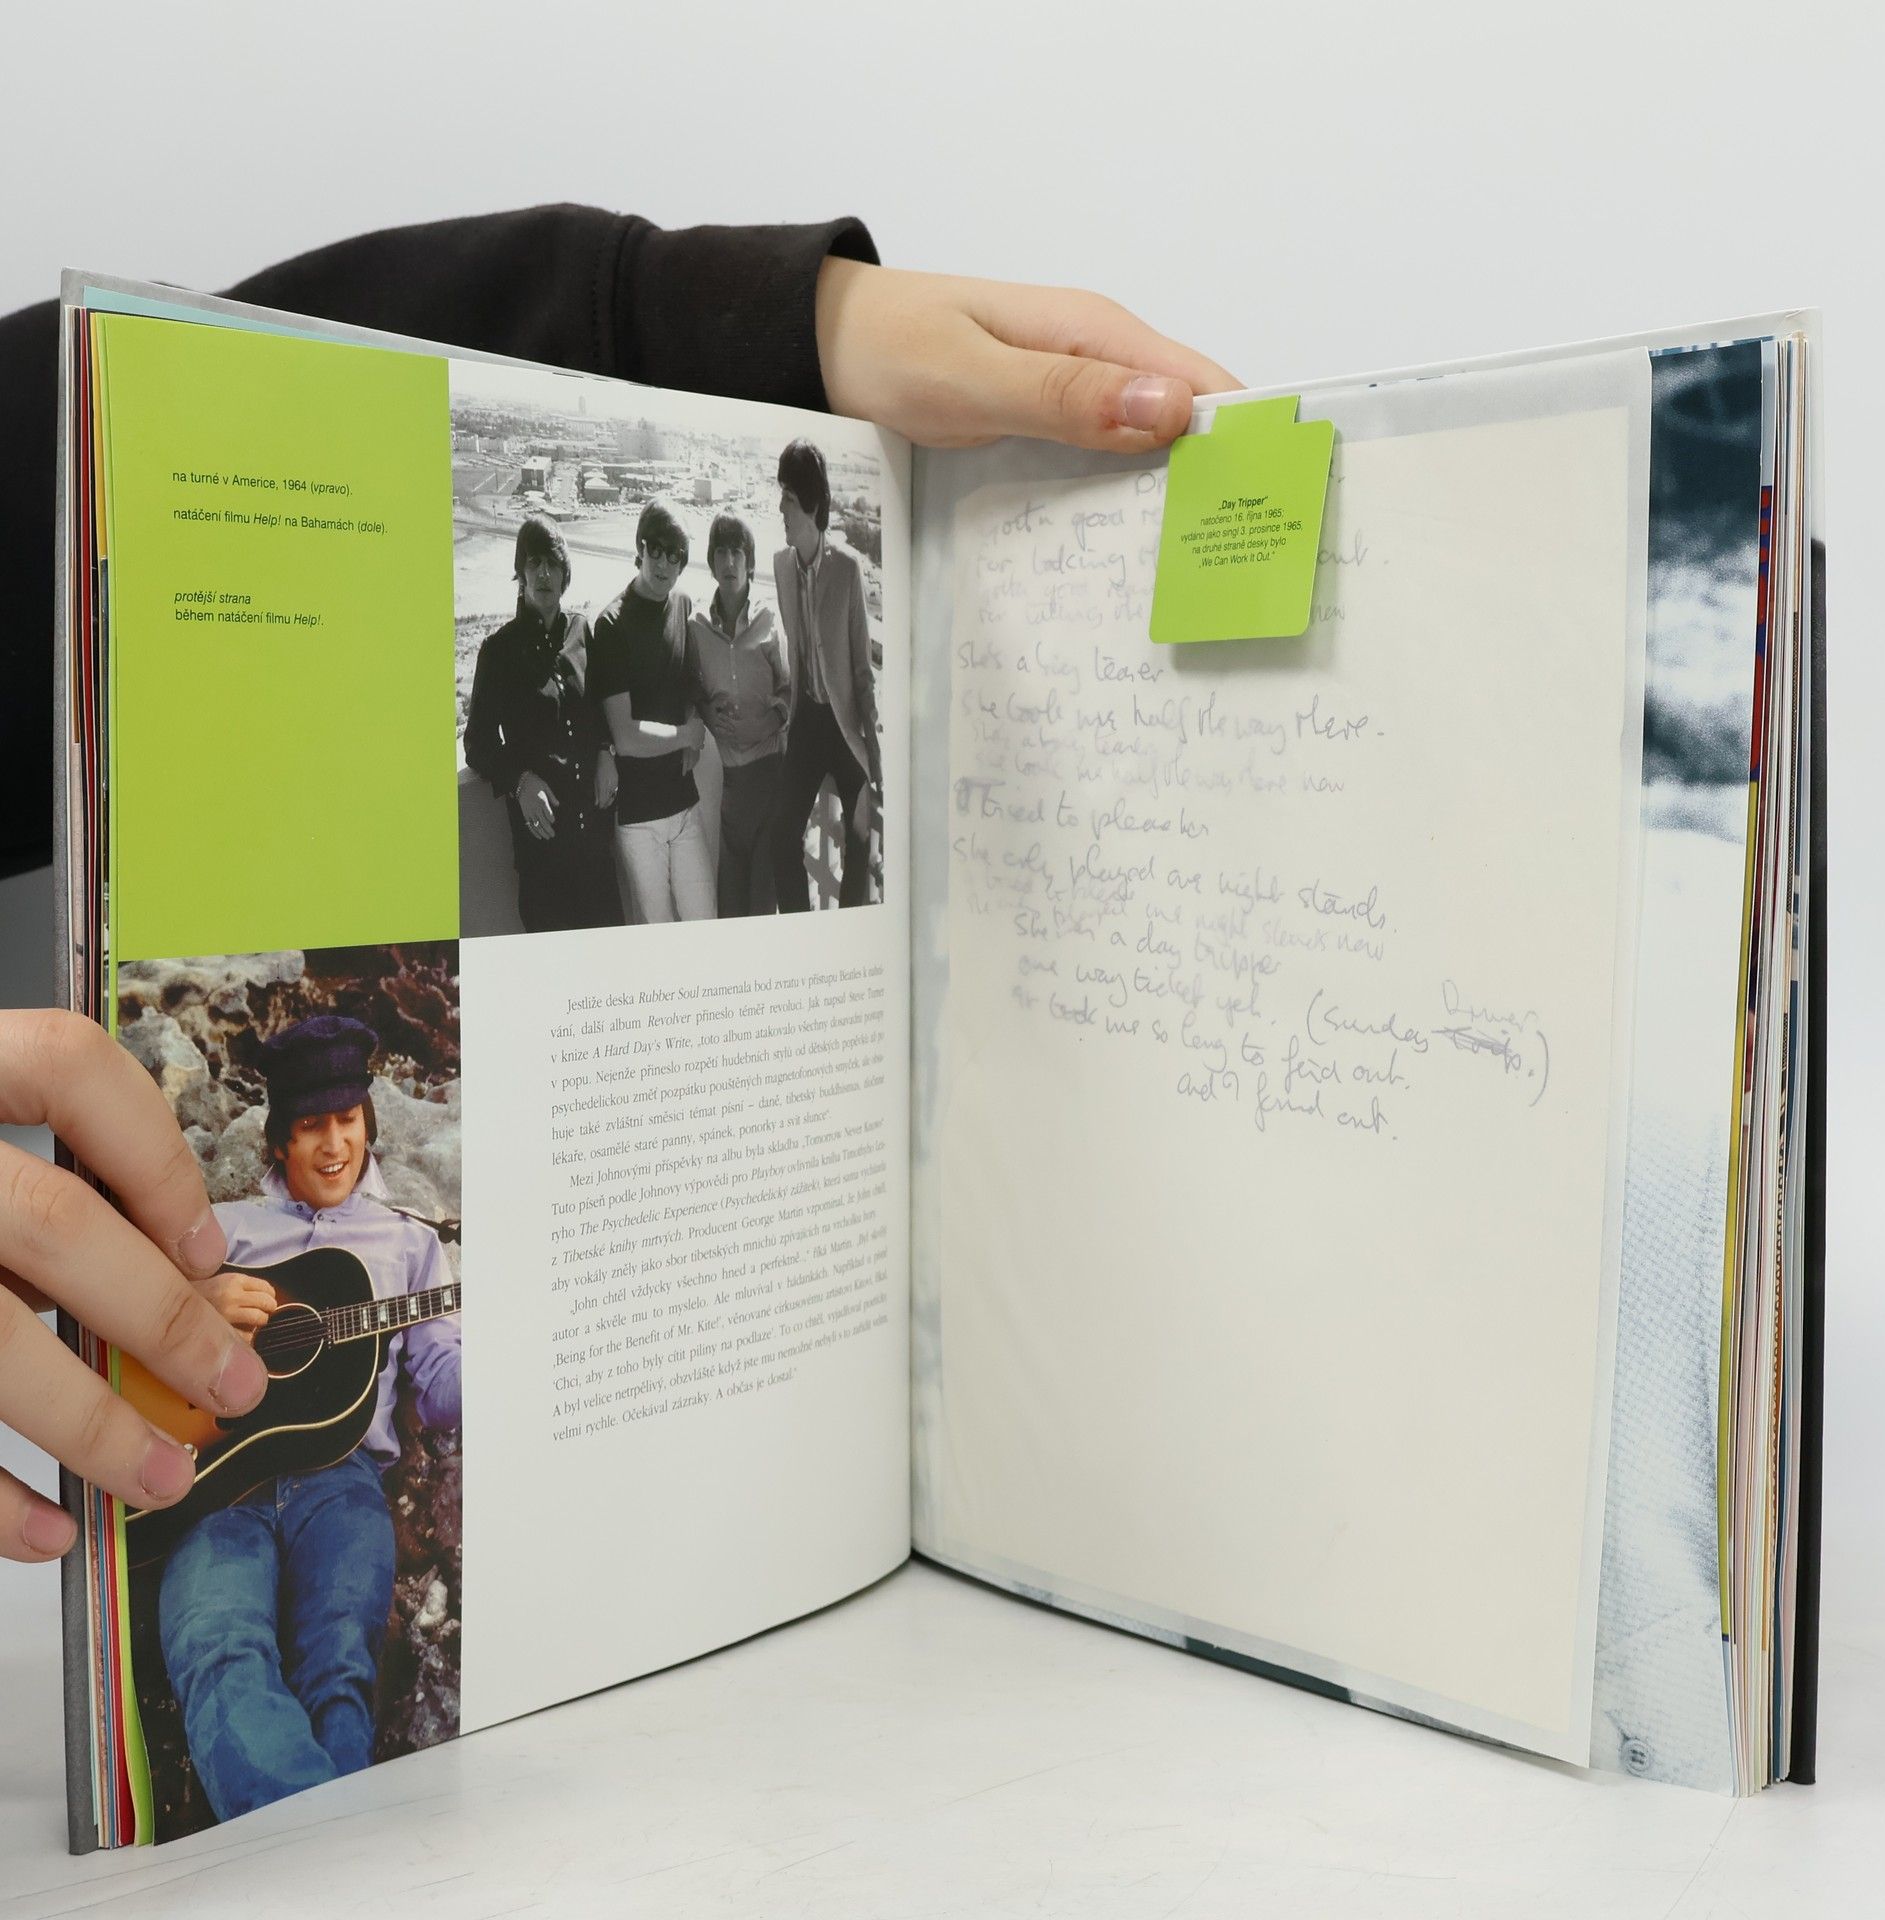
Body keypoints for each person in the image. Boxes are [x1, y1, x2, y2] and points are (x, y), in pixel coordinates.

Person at [0, 208, 1236, 1568]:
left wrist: (737, 318)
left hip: (650, 816)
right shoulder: (547, 649)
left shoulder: (382, 1239)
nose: (336, 1144)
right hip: (586, 836)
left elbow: (165, 399)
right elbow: (511, 723)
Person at [158, 1015, 461, 1820]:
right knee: (218, 1648)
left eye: (348, 1119)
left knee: (339, 1667)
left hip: (342, 1479)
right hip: (216, 1484)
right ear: (277, 1140)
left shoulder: (409, 1244)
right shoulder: (225, 1232)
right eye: (311, 1125)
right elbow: (123, 1320)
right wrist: (192, 1300)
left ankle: (319, 1856)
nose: (334, 1145)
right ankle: (321, 1849)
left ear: (369, 1122)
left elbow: (440, 1384)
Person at [463, 513, 623, 933]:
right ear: (521, 573)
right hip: (543, 854)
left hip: (594, 844)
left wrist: (606, 751)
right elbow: (476, 742)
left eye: (553, 563)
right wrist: (519, 781)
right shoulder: (498, 651)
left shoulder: (581, 632)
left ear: (565, 573)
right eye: (534, 563)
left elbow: (598, 707)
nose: (544, 573)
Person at [587, 500, 715, 924]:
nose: (662, 563)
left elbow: (690, 679)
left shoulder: (682, 604)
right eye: (654, 549)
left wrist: (695, 715)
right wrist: (687, 736)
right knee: (661, 940)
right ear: (640, 548)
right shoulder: (611, 625)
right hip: (639, 819)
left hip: (685, 804)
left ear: (682, 562)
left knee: (705, 927)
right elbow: (625, 736)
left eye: (673, 554)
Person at [770, 440, 879, 909]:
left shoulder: (848, 571)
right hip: (808, 722)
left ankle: (848, 929)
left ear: (813, 506)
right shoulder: (781, 567)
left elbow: (861, 670)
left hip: (844, 725)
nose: (781, 508)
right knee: (781, 836)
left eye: (789, 498)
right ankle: (802, 929)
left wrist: (872, 749)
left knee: (860, 838)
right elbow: (796, 655)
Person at [687, 511, 789, 916]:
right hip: (730, 791)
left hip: (771, 783)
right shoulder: (696, 627)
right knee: (729, 910)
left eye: (738, 553)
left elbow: (791, 691)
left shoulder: (769, 622)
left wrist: (764, 724)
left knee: (762, 911)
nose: (729, 562)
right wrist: (706, 712)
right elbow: (690, 687)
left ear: (750, 562)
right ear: (711, 562)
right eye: (721, 553)